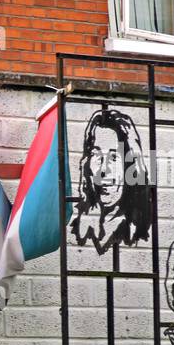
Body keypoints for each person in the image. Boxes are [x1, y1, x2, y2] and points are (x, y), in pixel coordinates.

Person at [68, 108, 153, 254]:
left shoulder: (136, 230)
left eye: (114, 157)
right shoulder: (77, 226)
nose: (104, 170)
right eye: (97, 155)